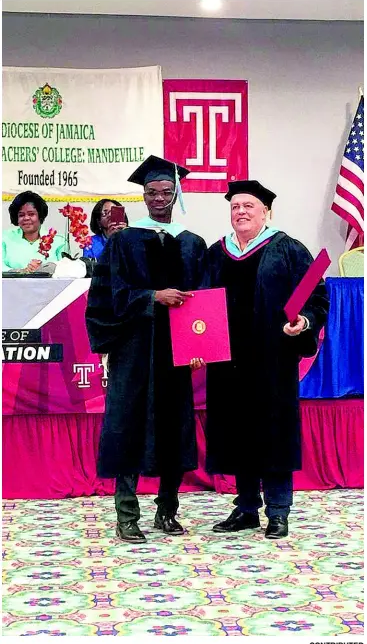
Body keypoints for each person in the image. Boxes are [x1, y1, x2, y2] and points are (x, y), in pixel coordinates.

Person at [192, 180, 329, 539]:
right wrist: (197, 345)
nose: (241, 212)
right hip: (228, 361)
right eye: (235, 206)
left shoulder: (288, 249)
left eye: (248, 206)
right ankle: (247, 507)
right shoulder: (217, 252)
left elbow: (316, 295)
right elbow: (199, 306)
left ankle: (279, 511)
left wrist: (304, 322)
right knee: (237, 431)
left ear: (266, 211)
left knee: (274, 432)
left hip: (272, 360)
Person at [86, 155, 207, 544]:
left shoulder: (192, 243)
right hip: (135, 352)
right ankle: (126, 515)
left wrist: (202, 344)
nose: (158, 198)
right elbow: (105, 297)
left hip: (177, 351)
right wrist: (152, 296)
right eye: (152, 192)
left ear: (177, 194)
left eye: (166, 192)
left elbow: (204, 301)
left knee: (173, 427)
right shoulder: (123, 242)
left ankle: (167, 510)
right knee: (128, 426)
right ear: (143, 194)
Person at [2, 191, 67, 273]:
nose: (26, 218)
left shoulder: (59, 240)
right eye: (21, 215)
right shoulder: (4, 238)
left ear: (40, 215)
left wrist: (45, 269)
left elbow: (66, 267)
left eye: (31, 214)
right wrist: (20, 271)